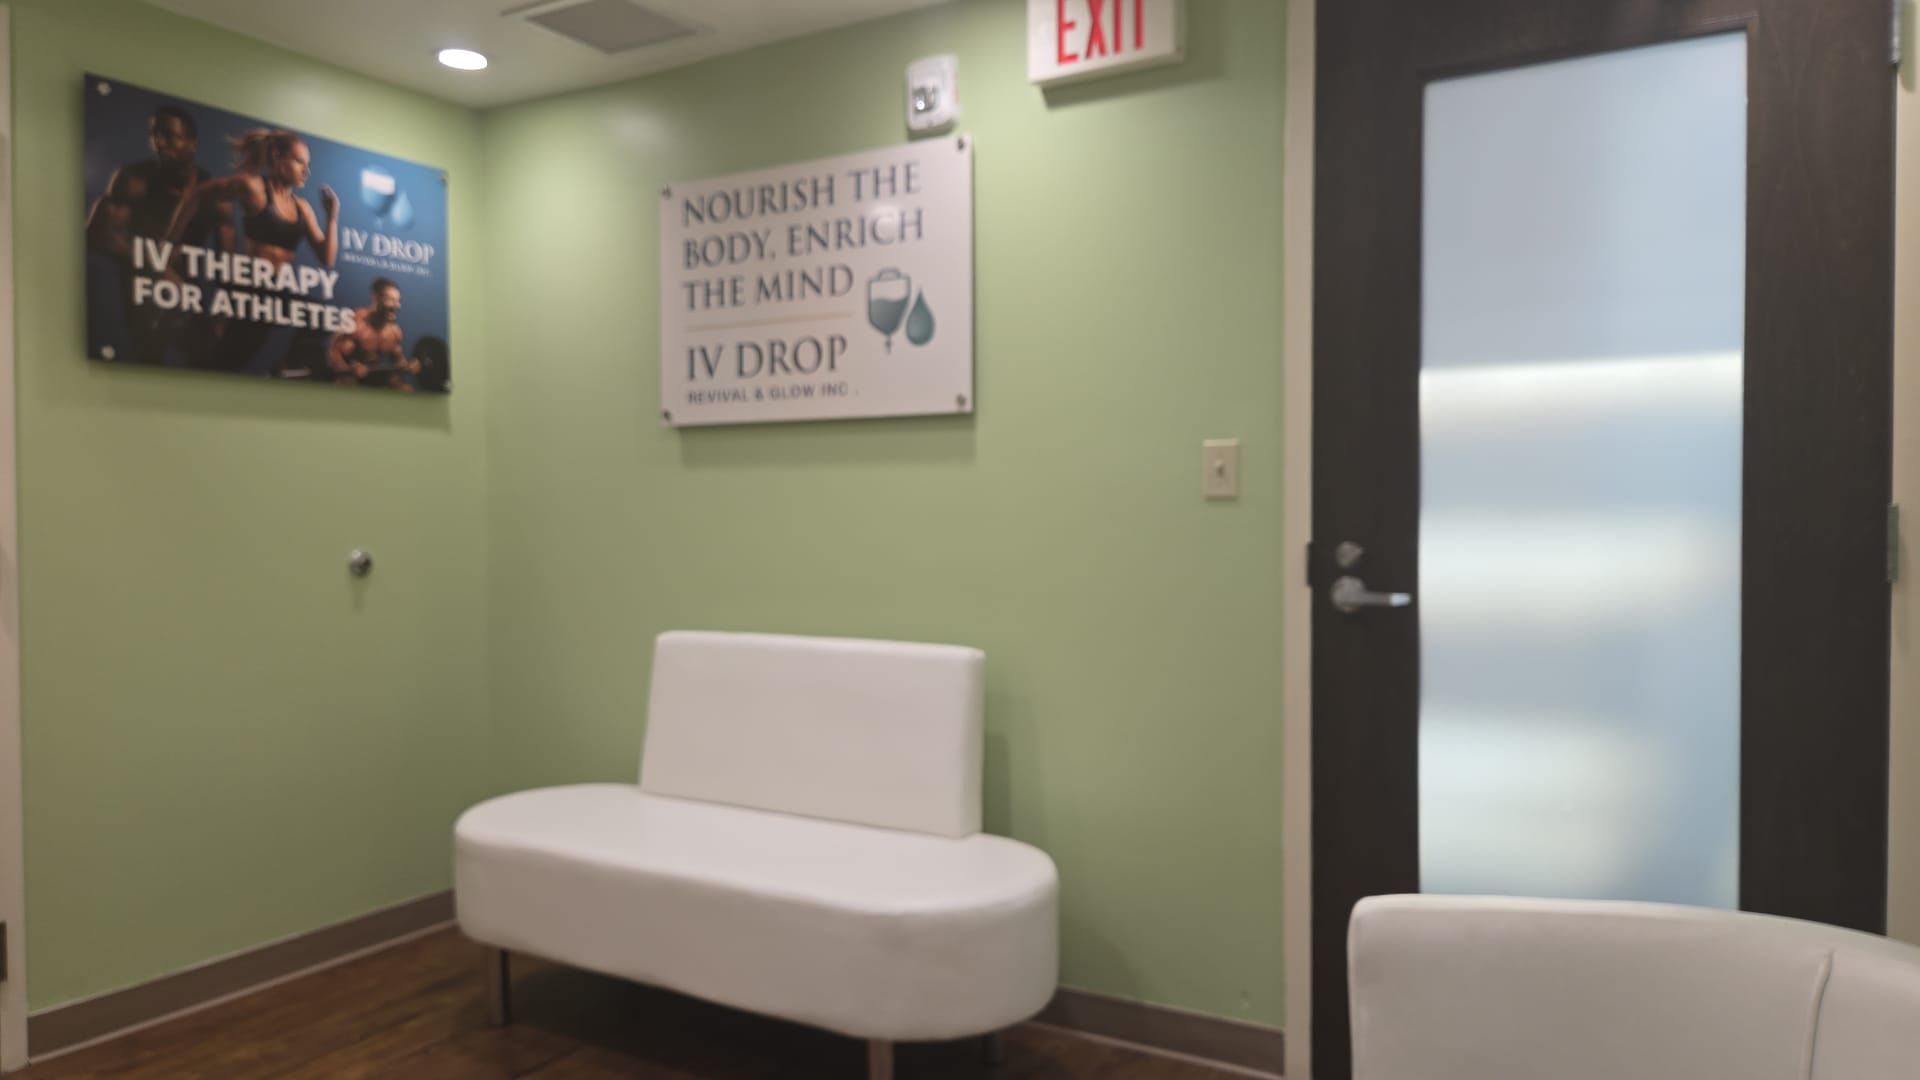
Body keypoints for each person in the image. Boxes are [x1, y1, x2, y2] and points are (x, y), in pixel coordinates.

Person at [167, 128, 339, 371]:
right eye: (299, 161)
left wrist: (332, 217)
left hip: (277, 293)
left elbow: (327, 257)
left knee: (322, 316)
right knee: (227, 361)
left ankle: (287, 367)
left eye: (308, 164)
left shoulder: (303, 208)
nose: (306, 171)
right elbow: (196, 194)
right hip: (250, 290)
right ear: (278, 158)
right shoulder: (254, 188)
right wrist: (169, 243)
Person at [85, 105, 234, 364]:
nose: (159, 143)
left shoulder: (214, 192)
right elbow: (97, 235)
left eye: (168, 135)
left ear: (192, 143)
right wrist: (157, 267)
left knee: (207, 363)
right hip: (144, 288)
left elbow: (230, 265)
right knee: (148, 360)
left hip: (189, 293)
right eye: (155, 134)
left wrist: (224, 314)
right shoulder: (134, 179)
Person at [328, 278, 418, 391]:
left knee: (406, 389)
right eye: (390, 300)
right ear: (376, 299)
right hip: (349, 376)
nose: (396, 306)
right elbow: (333, 352)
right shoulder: (355, 321)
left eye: (397, 301)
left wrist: (409, 366)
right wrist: (349, 369)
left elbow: (399, 361)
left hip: (374, 377)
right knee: (345, 384)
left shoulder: (394, 332)